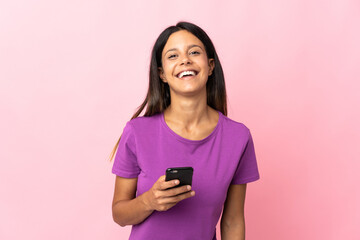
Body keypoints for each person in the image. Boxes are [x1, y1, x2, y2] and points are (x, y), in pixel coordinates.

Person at [109, 21, 260, 240]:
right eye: (173, 56)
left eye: (194, 52)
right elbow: (119, 215)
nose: (185, 60)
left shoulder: (238, 138)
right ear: (162, 74)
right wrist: (149, 201)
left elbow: (233, 221)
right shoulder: (136, 132)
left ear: (210, 66)